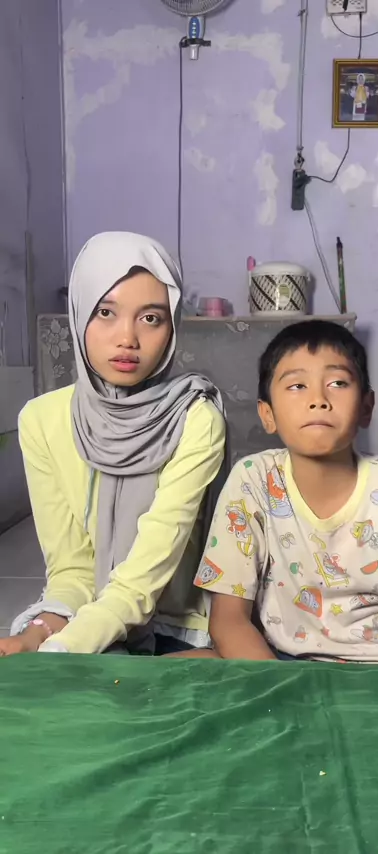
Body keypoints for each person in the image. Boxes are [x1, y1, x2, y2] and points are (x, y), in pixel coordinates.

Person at [0, 232, 226, 656]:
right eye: (105, 312)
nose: (127, 338)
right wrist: (40, 633)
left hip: (174, 625)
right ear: (79, 312)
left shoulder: (196, 419)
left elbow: (143, 581)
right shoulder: (41, 421)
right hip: (85, 613)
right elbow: (72, 570)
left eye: (151, 318)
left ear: (172, 327)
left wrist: (67, 647)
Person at [193, 320, 378, 664]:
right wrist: (283, 689)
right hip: (276, 663)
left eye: (337, 383)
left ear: (366, 407)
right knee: (177, 669)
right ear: (267, 414)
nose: (318, 400)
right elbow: (228, 621)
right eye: (297, 386)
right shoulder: (252, 480)